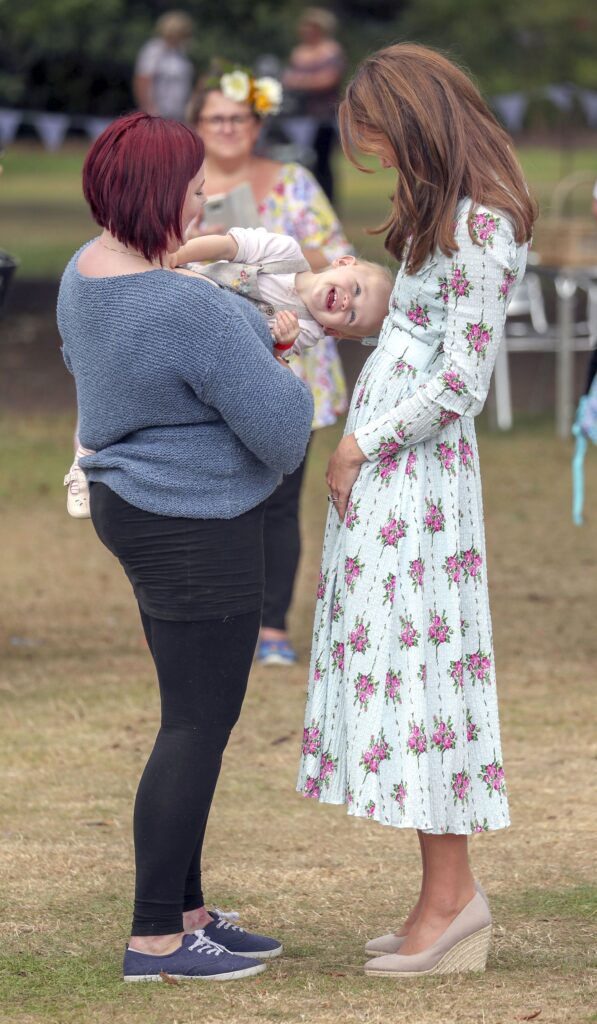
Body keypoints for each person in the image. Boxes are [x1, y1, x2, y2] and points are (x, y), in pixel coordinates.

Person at [297, 43, 537, 977]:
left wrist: (363, 441)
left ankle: (453, 903)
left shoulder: (483, 224)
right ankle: (437, 897)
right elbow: (420, 327)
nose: (380, 161)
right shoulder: (439, 216)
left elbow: (460, 382)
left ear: (417, 121)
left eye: (381, 142)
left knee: (428, 684)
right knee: (404, 681)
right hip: (399, 482)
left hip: (420, 486)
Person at [57, 112, 313, 982]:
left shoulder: (83, 272)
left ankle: (188, 913)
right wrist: (270, 354)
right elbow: (283, 434)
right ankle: (156, 938)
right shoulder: (180, 305)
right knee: (196, 725)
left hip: (136, 504)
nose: (204, 207)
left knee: (191, 718)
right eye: (196, 193)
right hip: (194, 523)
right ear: (156, 195)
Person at [187, 67, 350, 666]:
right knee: (215, 497)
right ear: (197, 126)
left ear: (256, 123)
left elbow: (337, 262)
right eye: (216, 118)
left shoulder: (294, 182)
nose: (228, 127)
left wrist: (262, 248)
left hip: (292, 362)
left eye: (239, 117)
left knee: (280, 500)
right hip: (207, 363)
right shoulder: (184, 186)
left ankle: (274, 625)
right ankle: (215, 621)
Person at [170, 225, 393, 354]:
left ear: (333, 331)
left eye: (352, 315)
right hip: (184, 283)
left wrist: (281, 342)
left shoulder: (305, 330)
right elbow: (226, 246)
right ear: (343, 262)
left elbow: (263, 360)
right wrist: (175, 257)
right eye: (356, 290)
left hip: (198, 337)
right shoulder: (284, 252)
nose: (347, 303)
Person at [282, 8, 346, 204]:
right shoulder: (299, 52)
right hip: (300, 118)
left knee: (323, 164)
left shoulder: (331, 50)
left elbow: (328, 79)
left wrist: (300, 81)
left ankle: (328, 203)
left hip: (324, 118)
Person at [133, 11, 194, 121]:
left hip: (178, 114)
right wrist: (148, 108)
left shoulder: (181, 53)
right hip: (157, 114)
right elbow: (143, 80)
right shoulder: (153, 50)